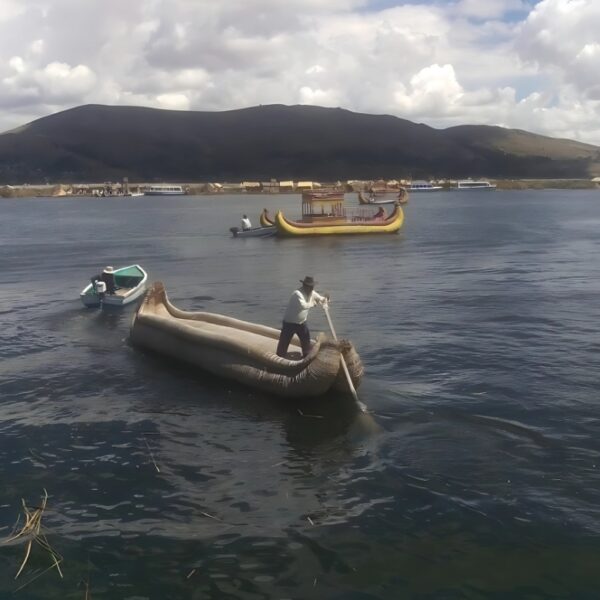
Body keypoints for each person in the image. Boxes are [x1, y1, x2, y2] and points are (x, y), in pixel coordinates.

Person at [276, 276, 330, 358]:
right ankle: (279, 357)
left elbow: (320, 298)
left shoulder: (312, 292)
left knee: (306, 341)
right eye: (309, 287)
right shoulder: (297, 294)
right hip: (289, 323)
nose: (311, 288)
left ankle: (306, 357)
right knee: (283, 346)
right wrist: (314, 303)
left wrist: (325, 300)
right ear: (305, 286)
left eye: (312, 287)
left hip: (301, 323)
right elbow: (304, 305)